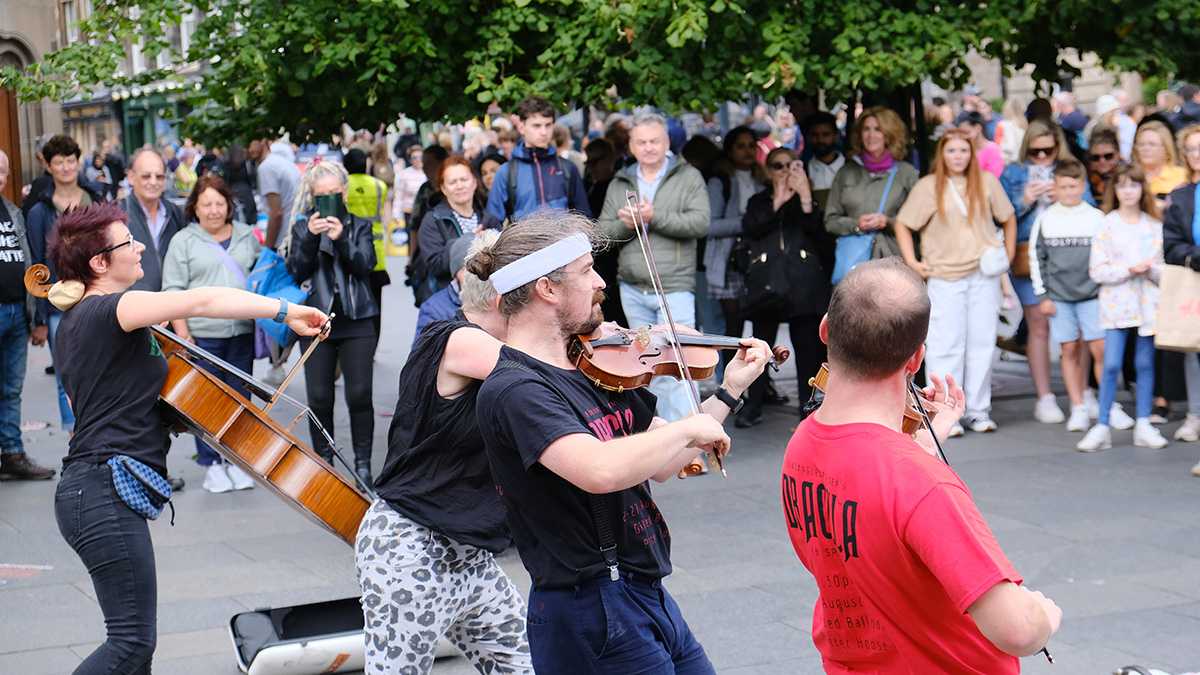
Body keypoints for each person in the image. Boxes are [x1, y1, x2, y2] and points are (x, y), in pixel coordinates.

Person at [471, 212, 773, 673]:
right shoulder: (516, 389)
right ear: (546, 289)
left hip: (643, 590)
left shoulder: (595, 367)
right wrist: (686, 428)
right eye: (586, 271)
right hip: (589, 607)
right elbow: (600, 470)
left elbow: (665, 463)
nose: (599, 283)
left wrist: (729, 391)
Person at [49, 201, 326, 674]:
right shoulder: (114, 306)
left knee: (135, 653)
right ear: (99, 263)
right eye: (127, 242)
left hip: (86, 490)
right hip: (101, 490)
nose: (139, 248)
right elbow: (201, 301)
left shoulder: (77, 324)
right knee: (131, 644)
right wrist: (286, 310)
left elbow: (93, 405)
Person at [782, 256, 1061, 673]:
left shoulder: (802, 443)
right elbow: (1017, 632)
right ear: (915, 360)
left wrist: (920, 446)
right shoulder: (921, 486)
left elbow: (866, 512)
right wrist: (1042, 615)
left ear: (825, 330)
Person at [357, 231, 533, 674]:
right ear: (501, 301)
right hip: (411, 550)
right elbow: (539, 376)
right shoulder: (457, 339)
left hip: (469, 554)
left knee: (526, 665)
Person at [895, 129, 1017, 435]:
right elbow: (903, 223)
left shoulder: (986, 182)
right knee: (944, 344)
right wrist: (912, 262)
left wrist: (1009, 255)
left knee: (981, 342)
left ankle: (978, 410)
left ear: (972, 152)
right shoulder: (928, 186)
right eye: (952, 151)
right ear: (942, 154)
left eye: (964, 150)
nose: (958, 156)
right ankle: (944, 411)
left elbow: (1008, 217)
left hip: (983, 274)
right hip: (944, 275)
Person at [597, 112, 711, 422]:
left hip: (674, 284)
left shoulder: (687, 176)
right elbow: (603, 232)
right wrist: (627, 224)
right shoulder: (622, 180)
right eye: (641, 142)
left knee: (682, 363)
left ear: (666, 143)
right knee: (650, 365)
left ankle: (693, 442)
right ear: (631, 146)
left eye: (654, 141)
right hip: (633, 285)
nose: (648, 148)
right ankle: (667, 441)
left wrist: (654, 216)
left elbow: (700, 223)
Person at [161, 174, 263, 492]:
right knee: (205, 402)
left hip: (241, 332)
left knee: (239, 399)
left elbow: (262, 278)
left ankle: (237, 461)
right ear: (195, 207)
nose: (215, 210)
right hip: (202, 336)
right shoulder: (184, 241)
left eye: (220, 203)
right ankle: (212, 464)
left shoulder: (248, 236)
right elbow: (173, 289)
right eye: (207, 204)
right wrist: (182, 333)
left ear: (229, 206)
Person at [285, 161, 378, 486]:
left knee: (359, 394)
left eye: (333, 194)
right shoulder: (301, 229)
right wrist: (311, 237)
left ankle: (363, 465)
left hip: (357, 319)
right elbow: (297, 270)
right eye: (320, 195)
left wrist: (341, 239)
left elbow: (365, 266)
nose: (327, 200)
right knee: (320, 397)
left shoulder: (360, 226)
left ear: (345, 192)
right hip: (315, 320)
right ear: (311, 197)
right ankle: (323, 463)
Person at [1028, 161, 1138, 435]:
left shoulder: (1096, 217)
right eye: (1062, 186)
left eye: (1073, 186)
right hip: (1060, 299)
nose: (1067, 191)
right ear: (1055, 187)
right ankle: (1077, 406)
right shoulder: (1046, 218)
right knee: (1070, 350)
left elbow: (1109, 255)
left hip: (1092, 296)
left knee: (1101, 351)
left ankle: (1108, 405)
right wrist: (1043, 295)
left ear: (1083, 186)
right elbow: (1036, 257)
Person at [1000, 119, 1097, 424]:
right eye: (1035, 151)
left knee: (1080, 330)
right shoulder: (1013, 173)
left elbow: (1093, 210)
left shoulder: (1070, 168)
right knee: (1038, 326)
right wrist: (1025, 199)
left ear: (1058, 147)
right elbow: (1000, 217)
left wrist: (1068, 198)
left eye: (1048, 151)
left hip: (1073, 257)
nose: (1042, 157)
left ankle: (1083, 393)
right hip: (1029, 258)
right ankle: (1045, 397)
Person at [737, 147, 833, 428]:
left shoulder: (807, 200)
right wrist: (778, 201)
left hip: (803, 286)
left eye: (792, 165)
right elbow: (752, 227)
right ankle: (753, 404)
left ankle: (808, 408)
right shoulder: (759, 201)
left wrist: (804, 197)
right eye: (778, 166)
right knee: (758, 349)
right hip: (767, 285)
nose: (785, 171)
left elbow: (819, 234)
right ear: (768, 171)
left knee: (807, 349)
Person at [1077, 164, 1166, 452]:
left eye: (1134, 185)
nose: (1128, 191)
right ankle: (1102, 425)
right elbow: (1097, 270)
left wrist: (1150, 270)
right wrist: (1129, 268)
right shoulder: (1107, 224)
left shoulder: (1155, 226)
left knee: (1144, 364)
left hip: (1148, 306)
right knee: (1111, 363)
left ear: (1143, 189)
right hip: (1117, 305)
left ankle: (1143, 423)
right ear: (1115, 189)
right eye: (1123, 185)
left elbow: (1165, 269)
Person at [26, 134, 105, 438]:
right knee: (66, 375)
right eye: (58, 162)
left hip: (97, 296)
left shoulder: (94, 200)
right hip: (58, 303)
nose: (66, 167)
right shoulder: (39, 212)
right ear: (49, 165)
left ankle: (101, 433)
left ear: (77, 160)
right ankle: (76, 437)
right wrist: (40, 318)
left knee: (103, 367)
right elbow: (37, 264)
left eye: (70, 160)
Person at [0, 149, 55, 480]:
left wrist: (36, 319)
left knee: (10, 389)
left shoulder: (12, 211)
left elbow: (30, 262)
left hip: (18, 313)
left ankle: (12, 454)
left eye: (2, 172)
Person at [823, 107, 920, 262]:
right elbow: (830, 221)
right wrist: (857, 224)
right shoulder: (846, 172)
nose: (871, 135)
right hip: (856, 261)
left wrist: (889, 222)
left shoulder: (906, 173)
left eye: (878, 130)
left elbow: (919, 221)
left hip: (896, 259)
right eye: (866, 129)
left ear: (889, 134)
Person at [704, 126, 767, 356]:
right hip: (728, 257)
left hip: (758, 254)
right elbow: (709, 226)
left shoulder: (763, 177)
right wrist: (748, 221)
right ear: (729, 151)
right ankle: (732, 382)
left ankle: (762, 379)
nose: (748, 151)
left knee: (761, 319)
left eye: (752, 145)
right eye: (741, 146)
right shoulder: (721, 181)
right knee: (734, 324)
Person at [485, 96, 591, 224]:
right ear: (521, 127)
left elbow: (584, 218)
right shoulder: (506, 172)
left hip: (562, 241)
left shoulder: (567, 168)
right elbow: (492, 224)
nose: (543, 132)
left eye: (548, 125)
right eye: (536, 126)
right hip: (523, 243)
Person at [1162, 124, 1200, 472]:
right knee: (1194, 351)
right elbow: (1170, 243)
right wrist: (1193, 254)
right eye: (1191, 149)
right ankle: (1196, 415)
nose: (1197, 154)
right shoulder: (1182, 195)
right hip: (1194, 280)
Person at [120, 148, 187, 292]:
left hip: (173, 303)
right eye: (146, 176)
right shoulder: (118, 215)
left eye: (159, 176)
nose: (153, 182)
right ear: (131, 177)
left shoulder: (175, 214)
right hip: (134, 304)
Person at [343, 148, 391, 347]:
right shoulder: (379, 186)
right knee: (375, 303)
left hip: (348, 249)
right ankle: (373, 346)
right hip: (376, 251)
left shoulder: (343, 186)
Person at [247, 134, 301, 251]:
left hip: (283, 242)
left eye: (250, 143)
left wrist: (267, 248)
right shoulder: (282, 161)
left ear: (263, 140)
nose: (247, 150)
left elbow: (276, 213)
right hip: (296, 235)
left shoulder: (266, 167)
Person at [1132, 121, 1188, 205]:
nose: (1146, 148)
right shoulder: (1130, 175)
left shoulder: (1183, 176)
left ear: (1166, 148)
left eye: (1152, 144)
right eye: (1141, 144)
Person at [801, 111, 845, 211]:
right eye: (815, 135)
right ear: (809, 138)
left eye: (826, 134)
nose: (820, 140)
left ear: (836, 137)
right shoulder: (802, 174)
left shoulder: (852, 170)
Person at [959, 111, 1004, 178]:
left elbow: (993, 178)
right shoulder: (966, 149)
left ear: (977, 128)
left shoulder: (992, 150)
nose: (964, 137)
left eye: (967, 132)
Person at [1088, 127, 1123, 203]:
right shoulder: (1084, 175)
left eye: (1108, 156)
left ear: (1118, 153)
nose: (1102, 161)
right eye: (1095, 157)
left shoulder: (1127, 173)